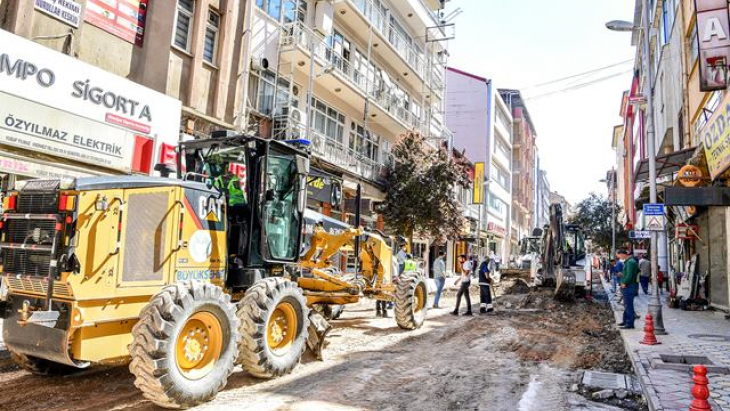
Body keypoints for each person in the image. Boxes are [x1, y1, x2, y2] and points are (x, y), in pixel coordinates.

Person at [618, 249, 640, 329]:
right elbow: (628, 273)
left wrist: (624, 283)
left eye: (619, 255)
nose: (620, 257)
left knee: (628, 305)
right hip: (630, 286)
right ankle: (625, 320)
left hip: (629, 287)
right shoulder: (630, 262)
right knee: (626, 304)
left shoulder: (630, 262)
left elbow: (629, 275)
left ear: (623, 254)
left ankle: (630, 323)